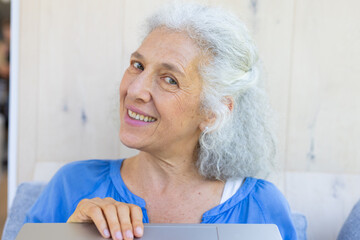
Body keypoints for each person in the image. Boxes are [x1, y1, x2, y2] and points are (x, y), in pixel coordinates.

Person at [24, 2, 297, 240]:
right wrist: (70, 237)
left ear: (214, 112)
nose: (135, 90)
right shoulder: (73, 185)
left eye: (170, 79)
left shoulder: (260, 206)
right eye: (138, 66)